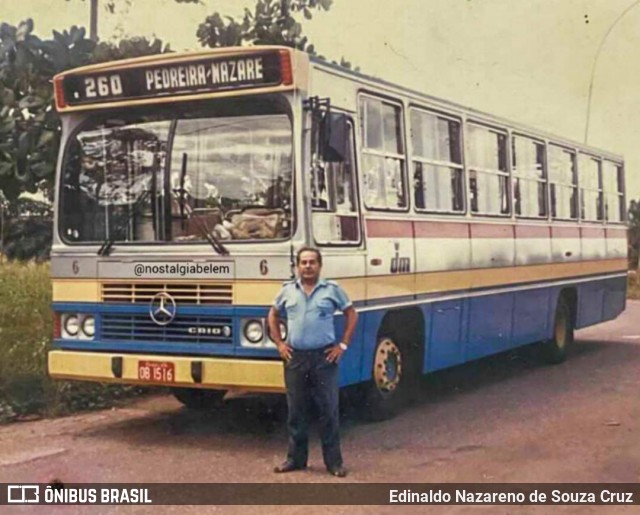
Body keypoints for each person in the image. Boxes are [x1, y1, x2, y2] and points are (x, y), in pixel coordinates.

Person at [268, 247, 358, 478]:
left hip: (323, 358)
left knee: (328, 411)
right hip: (295, 358)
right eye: (303, 262)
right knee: (296, 411)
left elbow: (351, 313)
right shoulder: (287, 291)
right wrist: (279, 343)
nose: (307, 266)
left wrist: (343, 345)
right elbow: (273, 314)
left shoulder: (332, 290)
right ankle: (295, 460)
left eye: (312, 262)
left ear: (320, 265)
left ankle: (334, 464)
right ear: (297, 266)